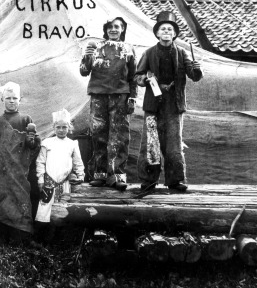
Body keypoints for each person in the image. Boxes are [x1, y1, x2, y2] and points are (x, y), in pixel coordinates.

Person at [134, 11, 203, 192]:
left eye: (169, 29)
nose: (166, 31)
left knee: (174, 144)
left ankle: (175, 181)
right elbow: (138, 76)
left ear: (174, 34)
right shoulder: (148, 53)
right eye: (163, 29)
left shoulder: (183, 53)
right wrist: (146, 80)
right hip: (153, 106)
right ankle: (148, 181)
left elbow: (194, 76)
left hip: (174, 105)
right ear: (157, 33)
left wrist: (197, 69)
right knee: (150, 143)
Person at [79, 17, 137, 191]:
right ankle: (100, 174)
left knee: (119, 136)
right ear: (106, 29)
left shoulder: (129, 49)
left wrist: (132, 97)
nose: (113, 29)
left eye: (117, 27)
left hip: (120, 95)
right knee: (98, 134)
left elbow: (133, 76)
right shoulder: (95, 47)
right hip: (98, 95)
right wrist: (87, 57)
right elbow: (84, 71)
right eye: (110, 27)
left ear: (122, 29)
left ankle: (117, 175)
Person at [0, 82, 41, 242]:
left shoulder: (26, 119)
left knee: (19, 198)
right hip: (0, 171)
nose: (11, 101)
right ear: (2, 99)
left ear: (20, 99)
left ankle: (21, 233)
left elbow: (34, 145)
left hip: (18, 171)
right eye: (8, 98)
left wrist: (31, 140)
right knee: (0, 199)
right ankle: (0, 234)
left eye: (15, 98)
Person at [34, 108, 85, 243]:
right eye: (58, 127)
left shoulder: (72, 144)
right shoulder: (47, 143)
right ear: (53, 127)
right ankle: (40, 241)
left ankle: (58, 242)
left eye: (64, 127)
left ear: (69, 127)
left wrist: (80, 176)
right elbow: (40, 162)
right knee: (44, 211)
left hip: (64, 184)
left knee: (62, 212)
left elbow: (78, 162)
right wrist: (40, 179)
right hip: (48, 183)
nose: (61, 130)